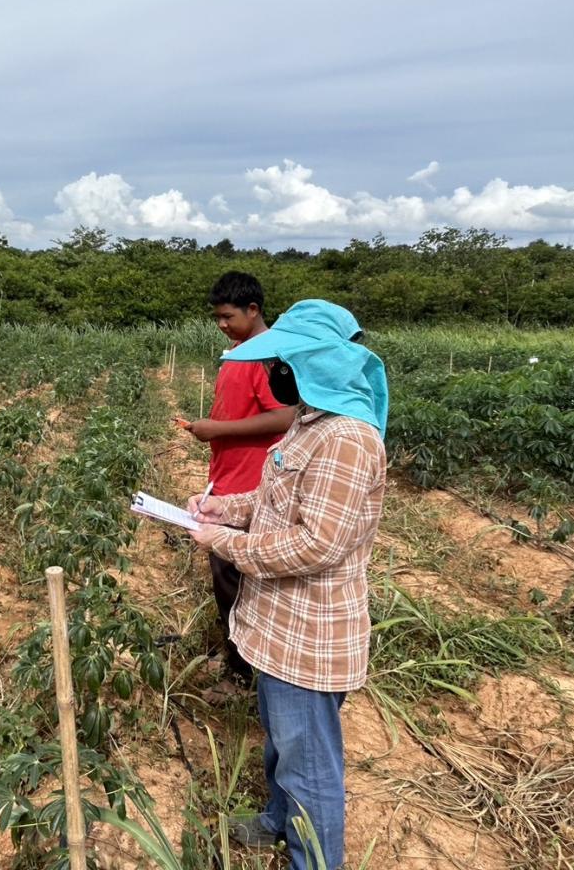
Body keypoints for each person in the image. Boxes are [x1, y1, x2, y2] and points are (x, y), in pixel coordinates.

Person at [185, 299, 387, 870]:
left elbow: (317, 544)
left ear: (313, 362)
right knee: (281, 743)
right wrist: (224, 509)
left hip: (310, 633)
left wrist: (222, 542)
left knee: (310, 765)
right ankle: (278, 820)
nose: (275, 371)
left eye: (283, 360)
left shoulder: (347, 438)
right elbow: (279, 502)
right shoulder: (309, 421)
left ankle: (315, 860)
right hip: (277, 625)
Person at [182, 271, 296, 684]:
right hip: (228, 479)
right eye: (217, 316)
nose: (221, 324)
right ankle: (242, 658)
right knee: (227, 576)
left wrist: (218, 429)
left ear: (254, 310)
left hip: (251, 484)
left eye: (228, 316)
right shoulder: (239, 353)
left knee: (235, 579)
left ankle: (244, 670)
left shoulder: (268, 358)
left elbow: (286, 414)